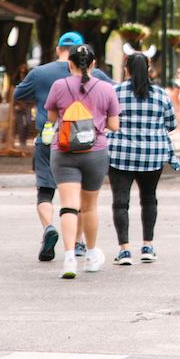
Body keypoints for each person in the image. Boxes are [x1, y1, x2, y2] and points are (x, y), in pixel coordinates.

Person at [11, 31, 98, 262]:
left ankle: (49, 227)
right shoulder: (93, 73)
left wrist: (39, 94)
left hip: (49, 138)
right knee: (78, 194)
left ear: (59, 49)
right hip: (83, 139)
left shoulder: (40, 73)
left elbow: (19, 93)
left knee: (45, 190)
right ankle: (78, 243)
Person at [45, 44, 119, 278]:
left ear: (70, 64)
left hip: (64, 151)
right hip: (95, 152)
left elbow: (51, 117)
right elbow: (114, 125)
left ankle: (69, 259)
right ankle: (91, 255)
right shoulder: (106, 88)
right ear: (94, 64)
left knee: (68, 206)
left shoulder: (59, 86)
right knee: (90, 206)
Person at [109, 52, 180, 265]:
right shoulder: (160, 94)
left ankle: (124, 250)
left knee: (120, 202)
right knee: (149, 198)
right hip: (152, 155)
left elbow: (106, 120)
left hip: (120, 155)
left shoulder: (115, 92)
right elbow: (172, 124)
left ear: (127, 70)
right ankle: (147, 246)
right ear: (148, 69)